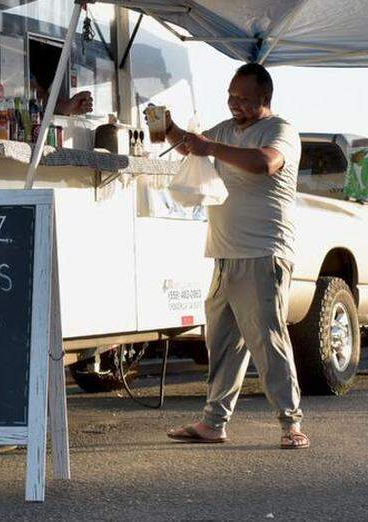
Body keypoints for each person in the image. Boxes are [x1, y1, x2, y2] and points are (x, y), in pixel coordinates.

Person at [155, 62, 308, 450]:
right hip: (223, 253)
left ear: (265, 99)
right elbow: (193, 146)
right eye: (230, 95)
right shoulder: (224, 130)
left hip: (262, 252)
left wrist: (213, 147)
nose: (234, 103)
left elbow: (265, 163)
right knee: (221, 344)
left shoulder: (280, 131)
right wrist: (169, 127)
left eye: (244, 98)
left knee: (267, 341)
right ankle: (213, 422)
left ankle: (291, 423)